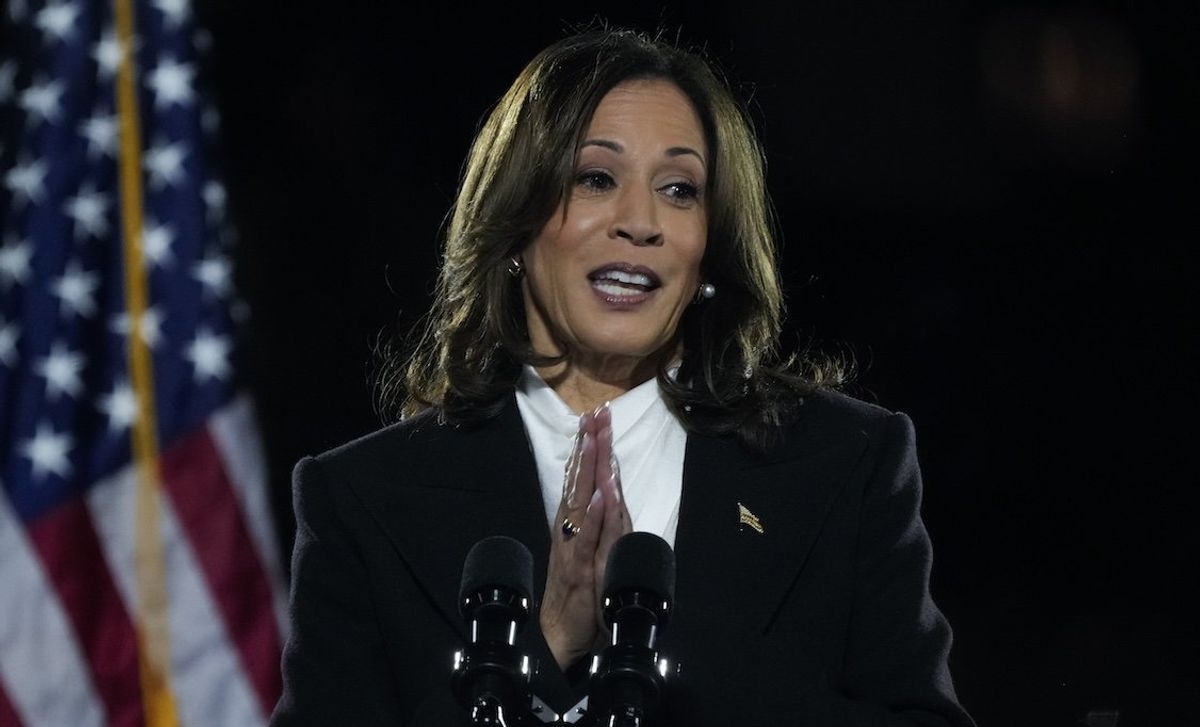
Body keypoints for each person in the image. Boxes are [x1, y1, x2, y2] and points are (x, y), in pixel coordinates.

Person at [270, 26, 975, 727]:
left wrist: (661, 657)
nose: (641, 222)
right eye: (596, 178)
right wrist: (543, 645)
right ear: (515, 225)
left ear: (709, 246)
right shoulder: (361, 500)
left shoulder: (847, 462)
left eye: (678, 188)